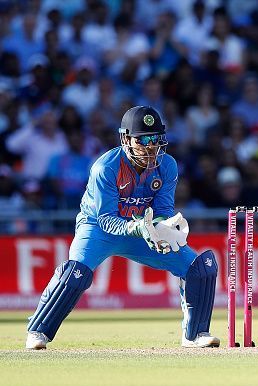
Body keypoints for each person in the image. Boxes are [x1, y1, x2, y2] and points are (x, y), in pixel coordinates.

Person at [25, 106, 220, 350]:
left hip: (143, 228)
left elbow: (162, 210)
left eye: (156, 140)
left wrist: (163, 228)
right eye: (144, 140)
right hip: (97, 229)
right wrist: (140, 228)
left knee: (199, 268)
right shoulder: (105, 168)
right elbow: (106, 219)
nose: (151, 147)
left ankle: (195, 335)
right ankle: (37, 331)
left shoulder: (167, 166)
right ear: (126, 139)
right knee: (75, 273)